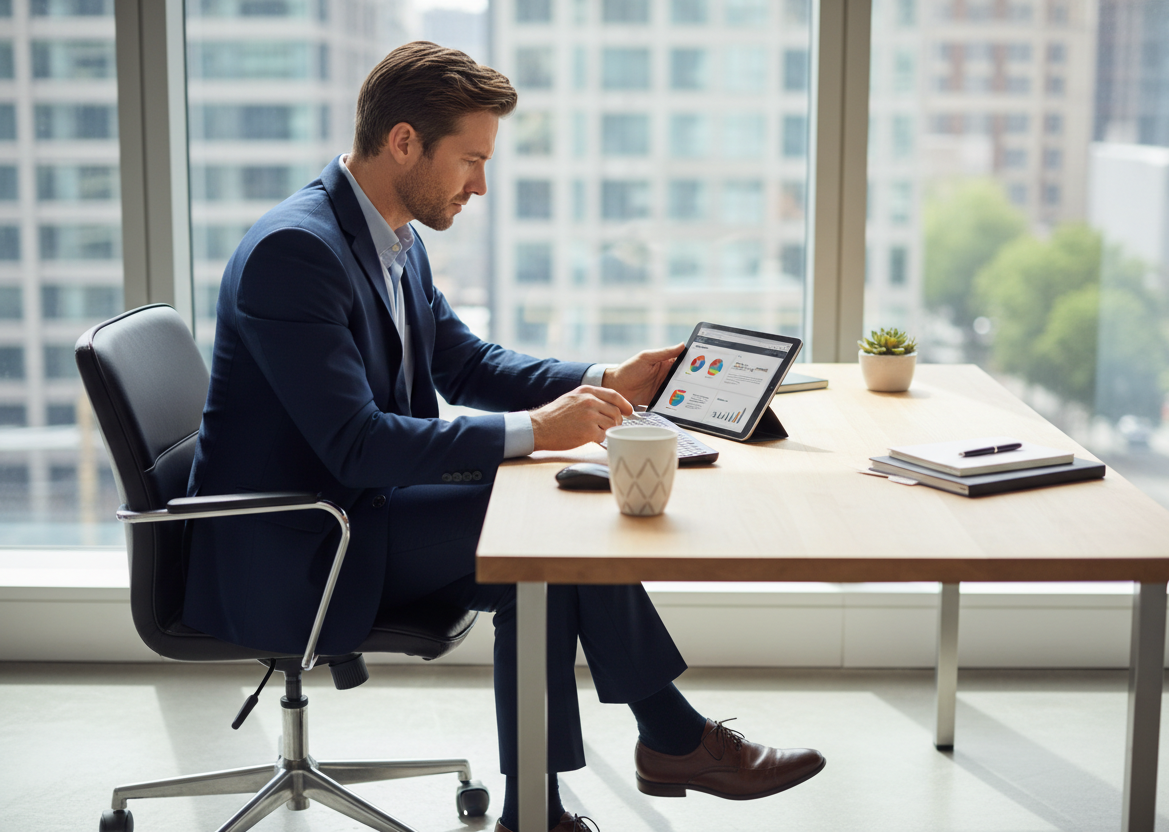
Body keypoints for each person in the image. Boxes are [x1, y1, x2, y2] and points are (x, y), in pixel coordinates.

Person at [183, 41, 824, 832]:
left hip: (361, 509)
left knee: (550, 558)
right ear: (405, 142)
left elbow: (465, 363)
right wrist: (537, 432)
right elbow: (356, 444)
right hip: (303, 543)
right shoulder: (297, 253)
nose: (480, 185)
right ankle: (668, 740)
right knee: (553, 534)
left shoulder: (387, 235)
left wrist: (603, 379)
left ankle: (554, 803)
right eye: (471, 160)